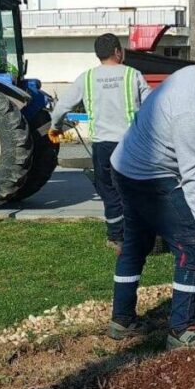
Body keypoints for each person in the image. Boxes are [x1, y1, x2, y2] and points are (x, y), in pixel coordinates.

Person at [108, 52, 195, 350]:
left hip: (124, 166)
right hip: (149, 176)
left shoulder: (193, 74)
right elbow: (192, 176)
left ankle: (122, 321)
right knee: (193, 246)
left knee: (136, 243)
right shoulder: (194, 114)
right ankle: (182, 330)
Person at [49, 33, 151, 248]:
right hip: (130, 145)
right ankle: (137, 234)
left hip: (103, 146)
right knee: (133, 190)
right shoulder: (133, 75)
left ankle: (116, 237)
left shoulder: (86, 78)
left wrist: (55, 127)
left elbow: (61, 108)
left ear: (98, 55)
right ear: (117, 52)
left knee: (109, 191)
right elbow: (153, 105)